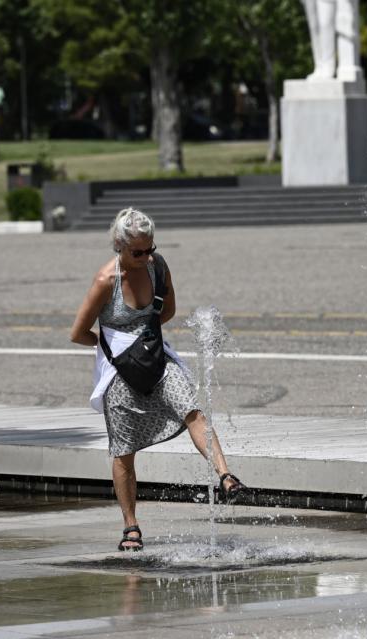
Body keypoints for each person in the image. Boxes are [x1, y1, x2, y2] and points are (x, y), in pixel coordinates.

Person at [70, 207, 246, 552]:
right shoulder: (106, 281)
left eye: (150, 248)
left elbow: (167, 310)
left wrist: (145, 340)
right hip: (119, 370)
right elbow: (78, 333)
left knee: (191, 408)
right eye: (138, 252)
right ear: (119, 247)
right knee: (123, 451)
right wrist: (112, 348)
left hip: (156, 357)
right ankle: (131, 526)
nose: (146, 256)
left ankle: (225, 476)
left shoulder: (157, 265)